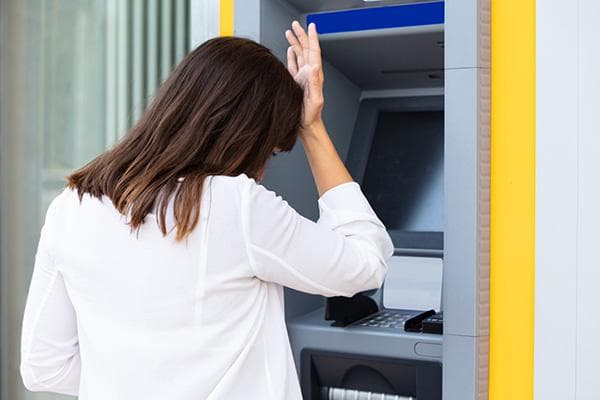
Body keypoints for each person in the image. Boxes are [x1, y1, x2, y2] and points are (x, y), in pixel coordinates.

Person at [20, 21, 394, 399]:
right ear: (244, 138)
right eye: (267, 153)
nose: (262, 173)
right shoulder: (236, 205)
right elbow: (366, 263)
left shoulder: (71, 207)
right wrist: (311, 128)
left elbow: (43, 368)